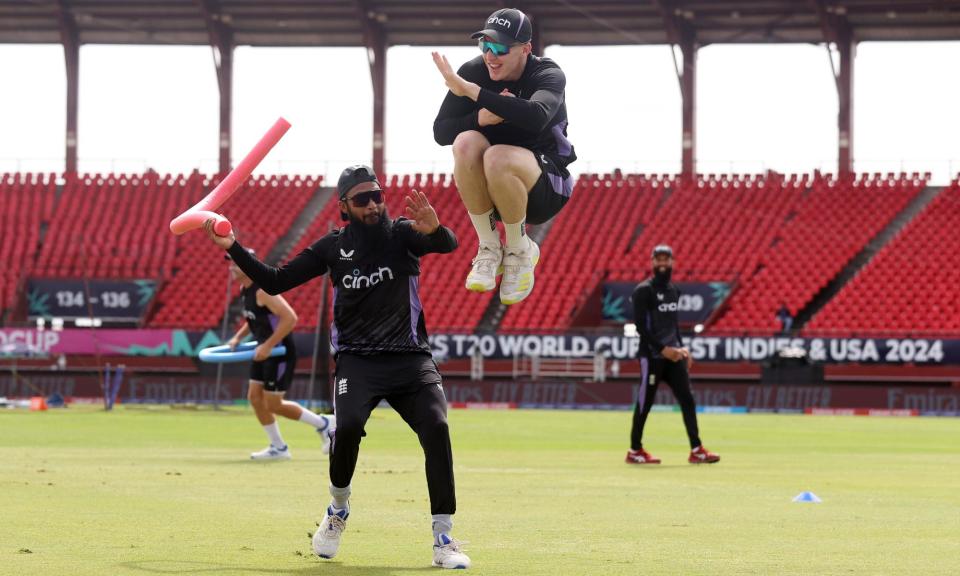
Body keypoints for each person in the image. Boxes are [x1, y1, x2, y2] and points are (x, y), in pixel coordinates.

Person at [203, 165, 470, 569]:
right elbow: (275, 281)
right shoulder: (332, 247)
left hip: (410, 358)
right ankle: (338, 510)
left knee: (438, 427)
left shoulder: (401, 234)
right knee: (345, 430)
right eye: (362, 198)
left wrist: (434, 231)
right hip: (357, 361)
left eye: (377, 195)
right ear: (344, 206)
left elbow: (447, 244)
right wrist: (233, 246)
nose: (374, 204)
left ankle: (443, 537)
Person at [432, 7, 576, 305]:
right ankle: (489, 246)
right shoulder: (474, 71)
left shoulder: (547, 74)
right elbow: (441, 132)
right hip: (495, 189)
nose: (490, 56)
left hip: (546, 187)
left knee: (497, 155)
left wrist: (474, 93)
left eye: (500, 48)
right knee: (465, 142)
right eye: (485, 45)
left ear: (526, 49)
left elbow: (536, 116)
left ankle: (520, 251)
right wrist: (480, 119)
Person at [223, 249, 335, 460]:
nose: (231, 267)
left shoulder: (262, 291)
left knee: (274, 404)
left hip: (279, 352)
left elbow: (290, 318)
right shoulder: (244, 289)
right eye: (231, 263)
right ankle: (278, 447)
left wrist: (268, 346)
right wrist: (238, 338)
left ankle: (325, 424)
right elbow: (253, 319)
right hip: (263, 350)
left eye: (236, 264)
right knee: (255, 398)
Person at [626, 245, 721, 465]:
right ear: (652, 262)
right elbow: (641, 327)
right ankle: (634, 450)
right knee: (645, 403)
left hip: (673, 356)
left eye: (665, 260)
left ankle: (696, 450)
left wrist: (682, 348)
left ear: (672, 262)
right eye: (658, 259)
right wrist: (662, 349)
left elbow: (673, 324)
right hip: (652, 357)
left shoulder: (673, 290)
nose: (662, 263)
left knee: (687, 400)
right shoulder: (643, 291)